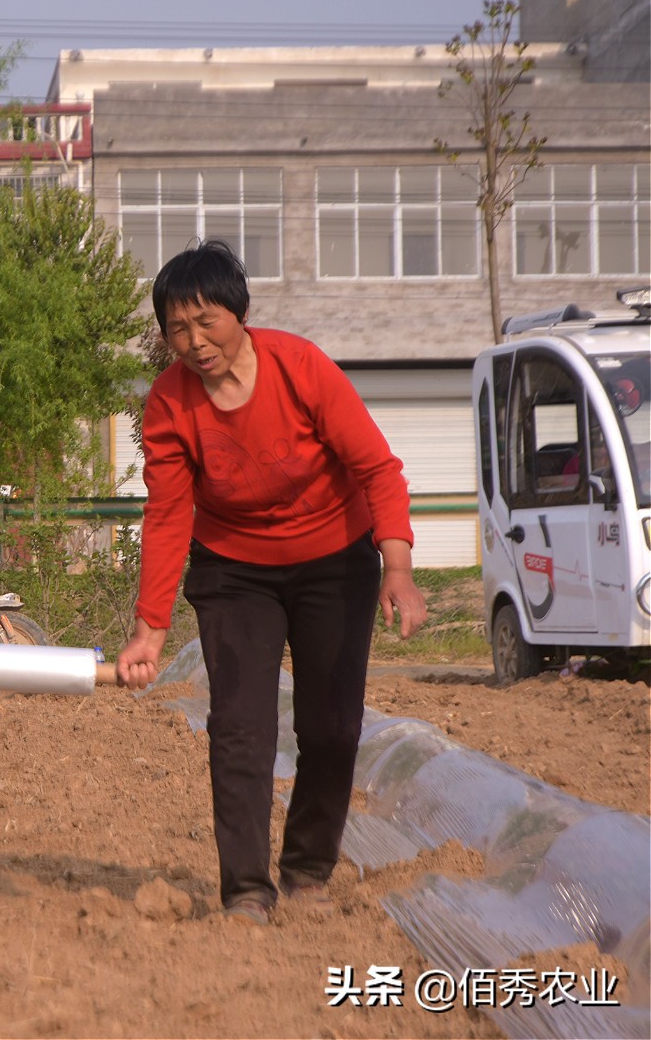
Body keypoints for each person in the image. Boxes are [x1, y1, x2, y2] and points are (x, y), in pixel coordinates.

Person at [114, 241, 427, 925]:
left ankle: (308, 869)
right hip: (234, 572)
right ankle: (247, 890)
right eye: (177, 330)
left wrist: (397, 569)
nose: (195, 343)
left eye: (207, 322)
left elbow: (377, 469)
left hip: (335, 559)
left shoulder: (300, 367)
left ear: (241, 312)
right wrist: (150, 627)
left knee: (333, 726)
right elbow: (168, 514)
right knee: (239, 728)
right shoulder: (169, 404)